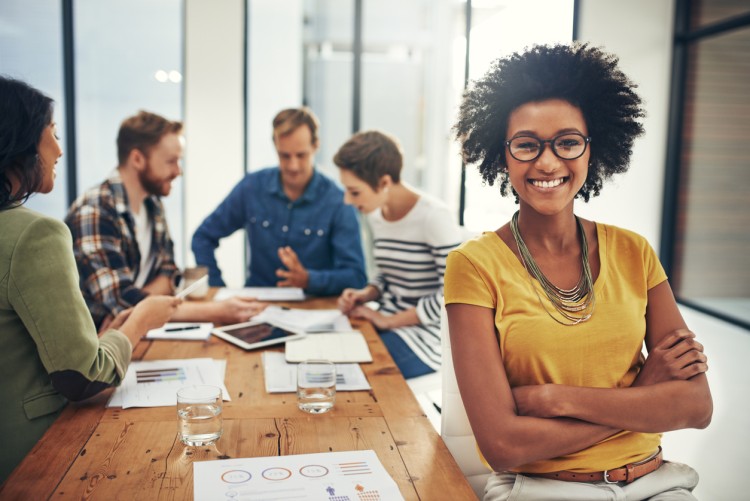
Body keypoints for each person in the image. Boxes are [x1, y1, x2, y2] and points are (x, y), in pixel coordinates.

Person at [445, 43, 712, 500]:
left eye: (567, 142)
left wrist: (555, 399)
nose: (547, 163)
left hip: (657, 483)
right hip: (542, 488)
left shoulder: (635, 252)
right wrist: (643, 394)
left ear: (593, 148)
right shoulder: (473, 266)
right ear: (502, 154)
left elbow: (695, 405)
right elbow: (504, 444)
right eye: (527, 145)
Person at [0, 76, 179, 482]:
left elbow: (171, 273)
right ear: (21, 141)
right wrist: (141, 320)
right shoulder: (35, 235)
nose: (60, 150)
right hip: (34, 455)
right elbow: (84, 375)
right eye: (53, 134)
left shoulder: (152, 207)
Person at [65, 111, 264, 330]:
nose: (178, 171)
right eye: (171, 161)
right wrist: (217, 311)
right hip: (100, 347)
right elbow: (122, 302)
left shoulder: (152, 204)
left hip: (138, 333)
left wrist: (142, 305)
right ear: (137, 159)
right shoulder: (94, 212)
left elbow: (169, 272)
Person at [191, 107, 367, 297]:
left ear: (316, 146)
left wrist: (309, 279)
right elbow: (202, 237)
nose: (293, 166)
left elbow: (356, 277)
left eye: (301, 155)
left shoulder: (338, 200)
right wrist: (218, 289)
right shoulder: (252, 187)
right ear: (275, 146)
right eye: (285, 156)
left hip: (314, 307)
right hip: (255, 304)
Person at [334, 130, 462, 378]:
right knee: (325, 355)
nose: (347, 200)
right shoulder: (376, 216)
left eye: (355, 192)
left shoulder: (433, 217)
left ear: (384, 183)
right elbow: (388, 273)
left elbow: (455, 293)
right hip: (384, 323)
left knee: (349, 372)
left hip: (426, 338)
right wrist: (367, 293)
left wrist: (389, 321)